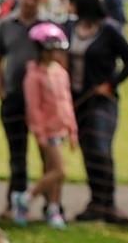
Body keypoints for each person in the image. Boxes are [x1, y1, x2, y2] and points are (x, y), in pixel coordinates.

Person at [62, 0, 128, 224]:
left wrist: (111, 84)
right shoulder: (70, 27)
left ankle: (109, 204)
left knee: (100, 148)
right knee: (88, 151)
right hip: (78, 100)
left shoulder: (109, 29)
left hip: (102, 101)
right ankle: (96, 202)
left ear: (82, 3)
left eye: (71, 1)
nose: (68, 6)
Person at [13, 22, 77, 230]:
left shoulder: (60, 73)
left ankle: (53, 208)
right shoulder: (33, 75)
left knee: (51, 172)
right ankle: (26, 198)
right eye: (50, 50)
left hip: (60, 128)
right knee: (60, 171)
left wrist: (72, 129)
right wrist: (39, 132)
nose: (54, 54)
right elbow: (34, 108)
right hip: (47, 131)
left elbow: (67, 102)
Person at [0, 0, 46, 217]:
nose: (30, 2)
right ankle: (15, 203)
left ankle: (50, 203)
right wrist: (0, 88)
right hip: (14, 97)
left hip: (42, 100)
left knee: (47, 153)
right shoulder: (6, 24)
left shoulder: (47, 26)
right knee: (17, 154)